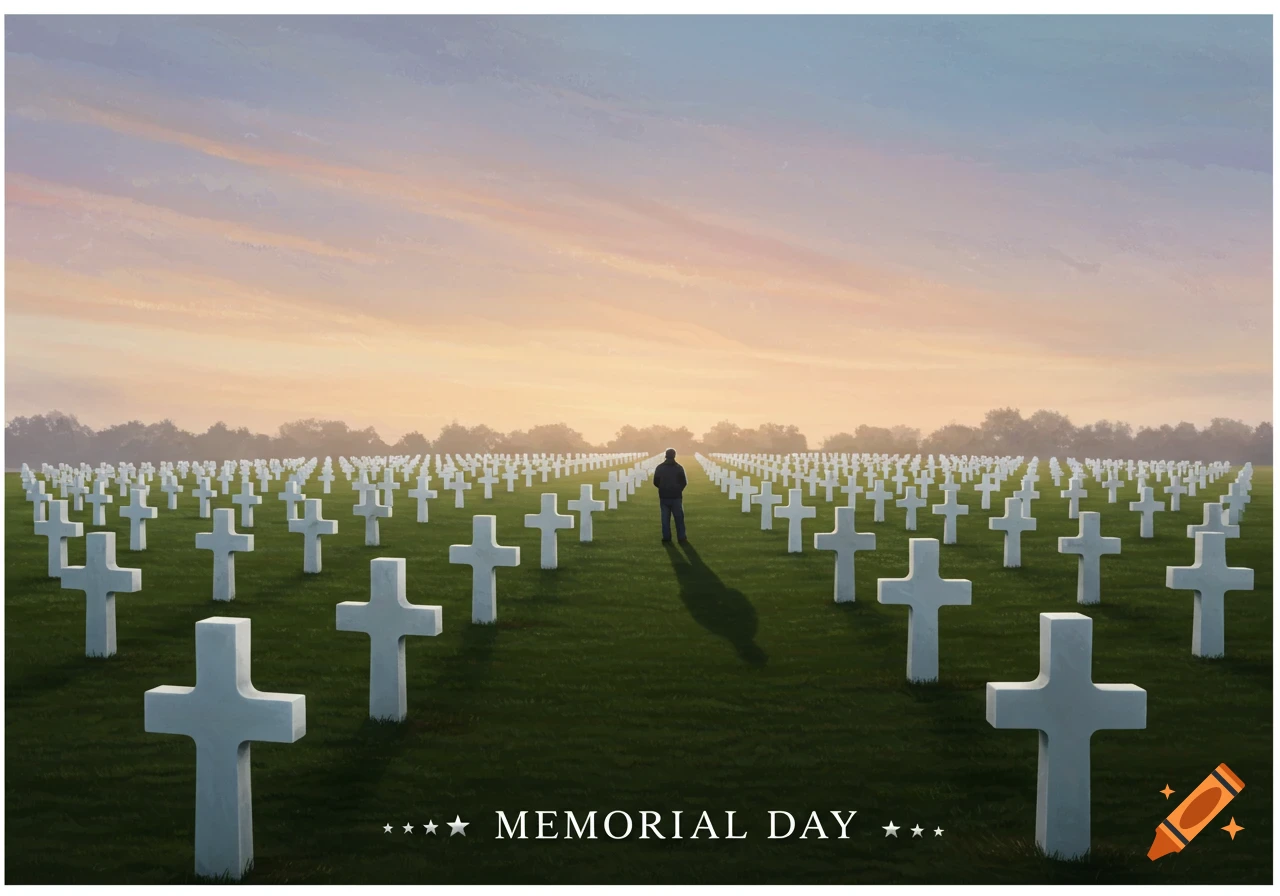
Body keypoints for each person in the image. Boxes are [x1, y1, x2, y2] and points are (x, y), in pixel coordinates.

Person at [653, 447, 688, 544]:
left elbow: (655, 482)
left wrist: (662, 488)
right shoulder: (679, 468)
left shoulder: (659, 467)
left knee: (665, 518)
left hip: (664, 496)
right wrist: (678, 490)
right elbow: (683, 482)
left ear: (666, 455)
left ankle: (666, 537)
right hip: (676, 496)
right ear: (674, 456)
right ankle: (681, 537)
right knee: (679, 518)